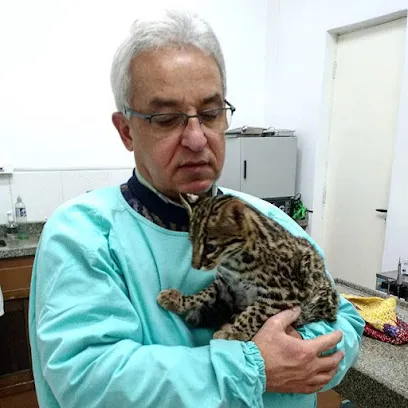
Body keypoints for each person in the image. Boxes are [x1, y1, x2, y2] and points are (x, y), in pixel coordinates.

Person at [28, 9, 364, 408]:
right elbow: (90, 380)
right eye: (167, 118)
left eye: (210, 113)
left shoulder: (270, 220)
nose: (196, 139)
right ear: (126, 131)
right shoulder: (84, 235)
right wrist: (252, 366)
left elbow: (345, 320)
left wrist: (297, 354)